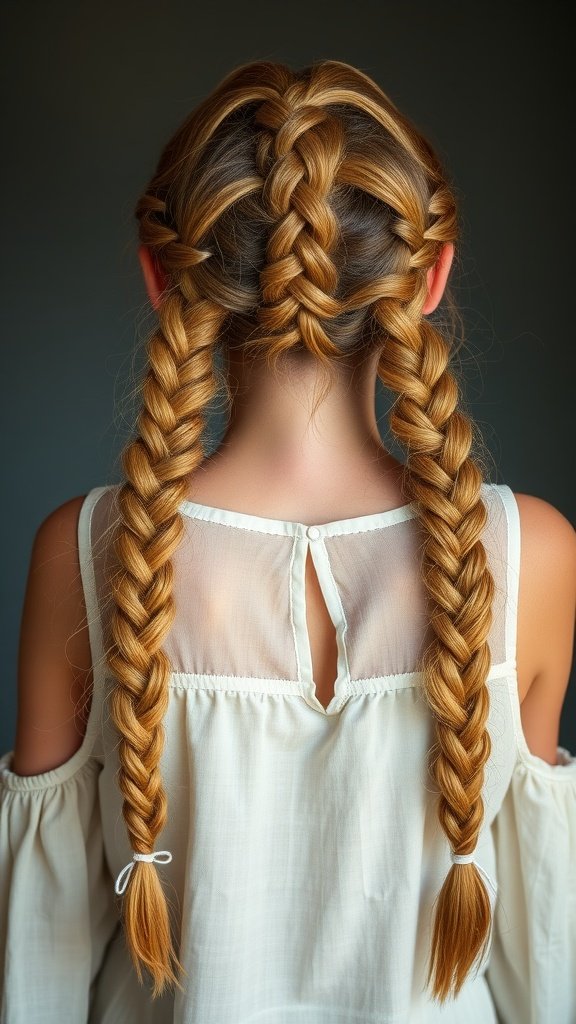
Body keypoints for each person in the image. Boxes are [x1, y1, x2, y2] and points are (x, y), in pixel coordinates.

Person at [0, 58, 574, 1024]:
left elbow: (37, 961)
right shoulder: (530, 556)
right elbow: (540, 956)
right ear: (430, 276)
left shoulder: (89, 550)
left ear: (159, 278)